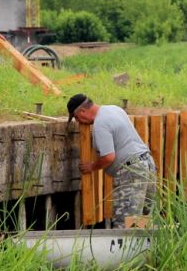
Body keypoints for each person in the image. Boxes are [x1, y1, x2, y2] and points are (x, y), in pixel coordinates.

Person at [67, 93, 157, 228]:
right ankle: (144, 248)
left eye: (76, 118)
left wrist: (92, 166)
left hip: (131, 171)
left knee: (125, 223)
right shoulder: (114, 109)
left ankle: (125, 249)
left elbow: (108, 157)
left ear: (83, 111)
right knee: (143, 221)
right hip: (147, 163)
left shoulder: (100, 124)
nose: (78, 122)